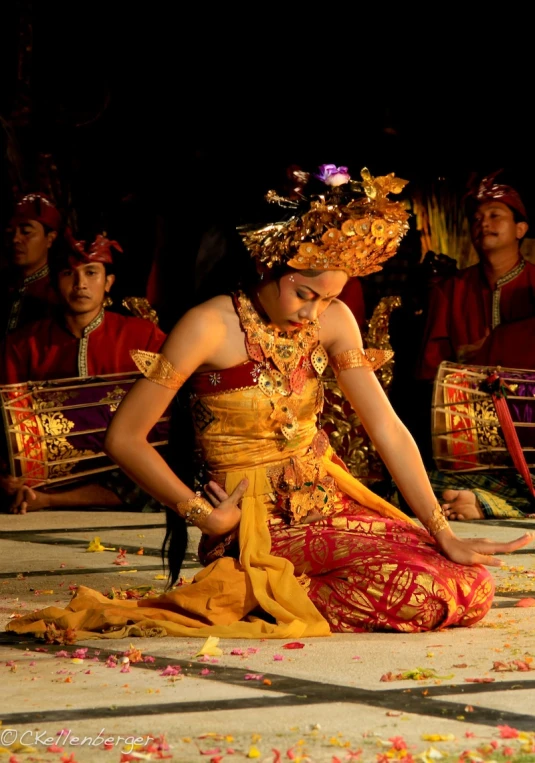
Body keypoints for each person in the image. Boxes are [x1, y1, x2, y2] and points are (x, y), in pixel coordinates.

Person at [6, 164, 533, 644]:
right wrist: (204, 518)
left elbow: (386, 427)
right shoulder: (209, 325)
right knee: (423, 592)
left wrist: (443, 531)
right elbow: (123, 438)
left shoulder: (331, 320)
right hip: (252, 523)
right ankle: (256, 592)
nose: (315, 312)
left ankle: (278, 594)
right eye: (305, 294)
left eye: (329, 298)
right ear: (268, 265)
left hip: (327, 501)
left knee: (469, 582)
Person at [0, 228, 167, 514]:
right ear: (54, 283)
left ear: (109, 282)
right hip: (49, 471)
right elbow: (7, 420)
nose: (80, 284)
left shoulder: (143, 335)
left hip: (125, 466)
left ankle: (50, 502)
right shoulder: (23, 344)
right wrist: (7, 473)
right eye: (69, 274)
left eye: (91, 273)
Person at [416, 171, 535, 520]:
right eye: (477, 218)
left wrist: (489, 351)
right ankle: (481, 500)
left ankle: (483, 502)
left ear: (521, 229)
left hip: (530, 433)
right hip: (468, 437)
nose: (484, 223)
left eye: (496, 215)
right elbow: (431, 373)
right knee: (416, 484)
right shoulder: (450, 291)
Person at [0, 192, 63, 336]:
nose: (15, 239)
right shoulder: (5, 283)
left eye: (26, 232)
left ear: (50, 238)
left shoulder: (59, 293)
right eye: (11, 232)